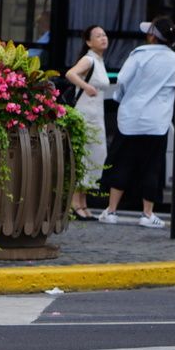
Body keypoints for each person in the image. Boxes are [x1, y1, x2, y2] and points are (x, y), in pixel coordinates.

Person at [98, 16, 175, 229]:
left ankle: (112, 210)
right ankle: (147, 213)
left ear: (152, 36)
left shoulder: (139, 54)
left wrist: (122, 98)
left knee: (123, 163)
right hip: (157, 122)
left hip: (131, 118)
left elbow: (123, 80)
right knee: (152, 166)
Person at [64, 24, 110, 220]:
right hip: (85, 115)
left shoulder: (99, 60)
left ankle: (83, 201)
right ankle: (75, 202)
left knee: (95, 156)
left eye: (104, 34)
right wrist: (86, 87)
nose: (103, 38)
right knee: (84, 156)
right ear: (89, 42)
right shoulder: (89, 59)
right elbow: (70, 74)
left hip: (96, 115)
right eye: (98, 36)